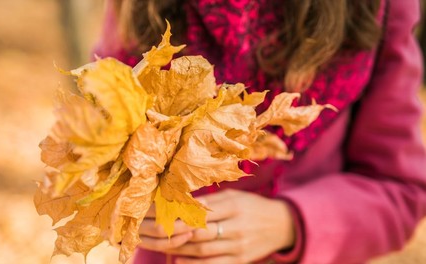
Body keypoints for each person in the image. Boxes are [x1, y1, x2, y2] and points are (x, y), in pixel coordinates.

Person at [94, 0, 426, 263]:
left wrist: (289, 223)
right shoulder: (142, 5)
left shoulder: (378, 9)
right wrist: (122, 204)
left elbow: (401, 190)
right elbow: (96, 152)